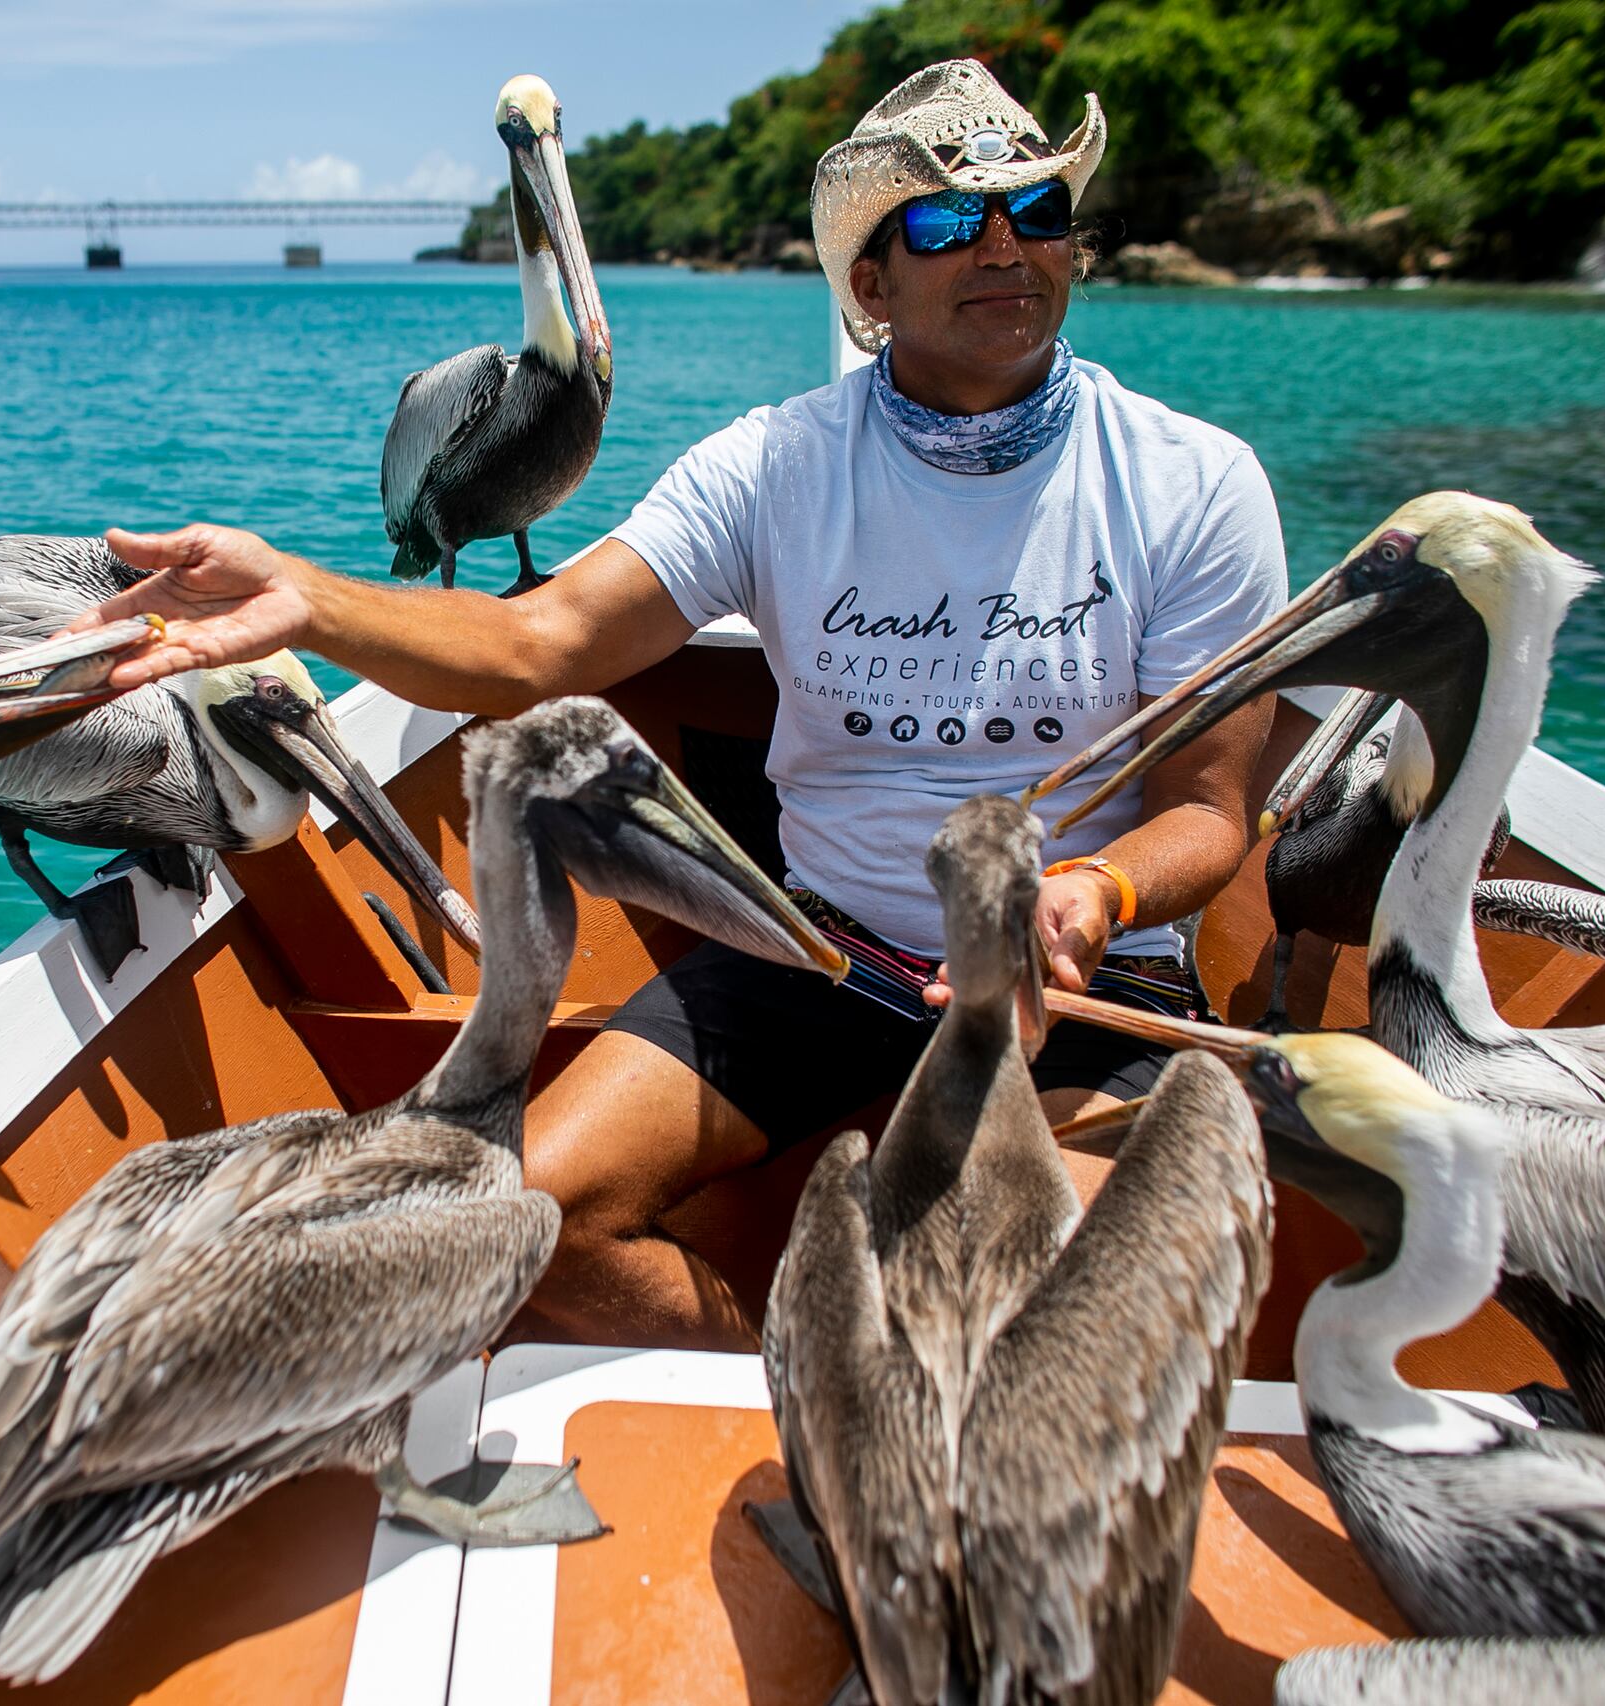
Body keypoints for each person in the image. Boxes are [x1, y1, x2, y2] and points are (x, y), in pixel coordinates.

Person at [70, 61, 1285, 1352]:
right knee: (522, 1225)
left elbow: (1209, 813)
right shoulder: (774, 465)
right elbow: (540, 637)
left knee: (1057, 1328)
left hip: (1083, 988)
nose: (1002, 246)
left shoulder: (1192, 483)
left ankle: (906, 1387)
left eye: (1035, 211)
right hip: (826, 958)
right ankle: (819, 1377)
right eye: (943, 221)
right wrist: (308, 596)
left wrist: (1095, 892)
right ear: (871, 288)